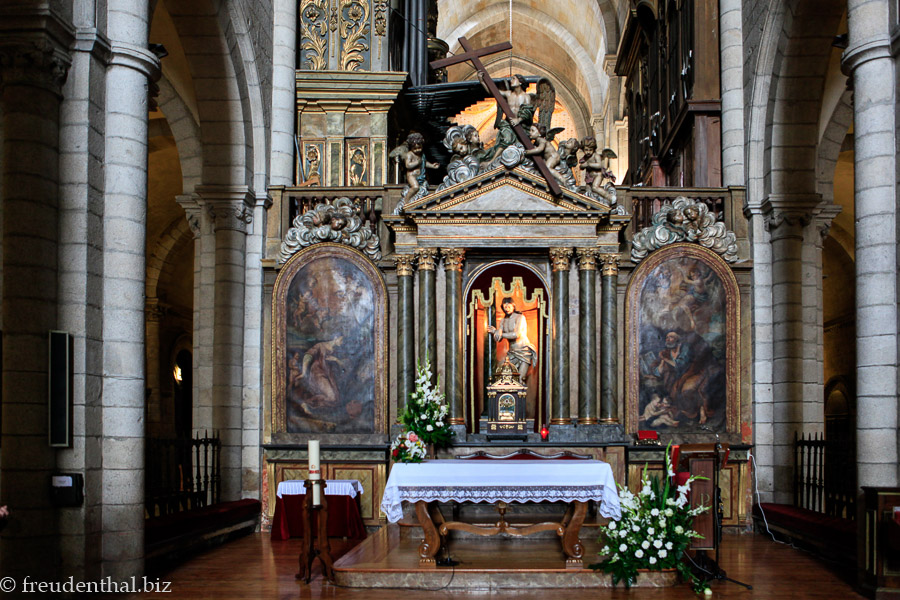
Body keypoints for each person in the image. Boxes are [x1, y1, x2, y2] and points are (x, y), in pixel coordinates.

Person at [487, 297, 538, 384]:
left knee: (521, 379)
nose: (507, 309)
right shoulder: (503, 320)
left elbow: (516, 334)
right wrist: (495, 332)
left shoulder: (520, 317)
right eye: (505, 307)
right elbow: (498, 338)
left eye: (509, 306)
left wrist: (499, 333)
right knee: (507, 378)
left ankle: (520, 397)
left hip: (523, 351)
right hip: (512, 352)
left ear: (513, 306)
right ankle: (508, 397)